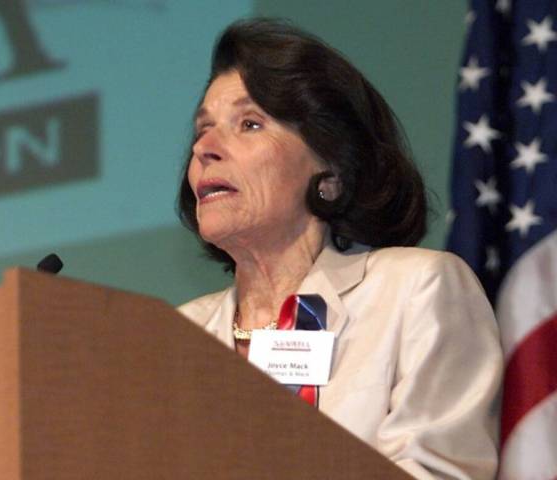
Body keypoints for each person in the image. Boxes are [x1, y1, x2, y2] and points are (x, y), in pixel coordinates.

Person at [177, 19, 502, 480]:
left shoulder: (415, 292)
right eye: (202, 129)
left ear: (329, 171)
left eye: (249, 123)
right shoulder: (177, 336)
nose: (204, 147)